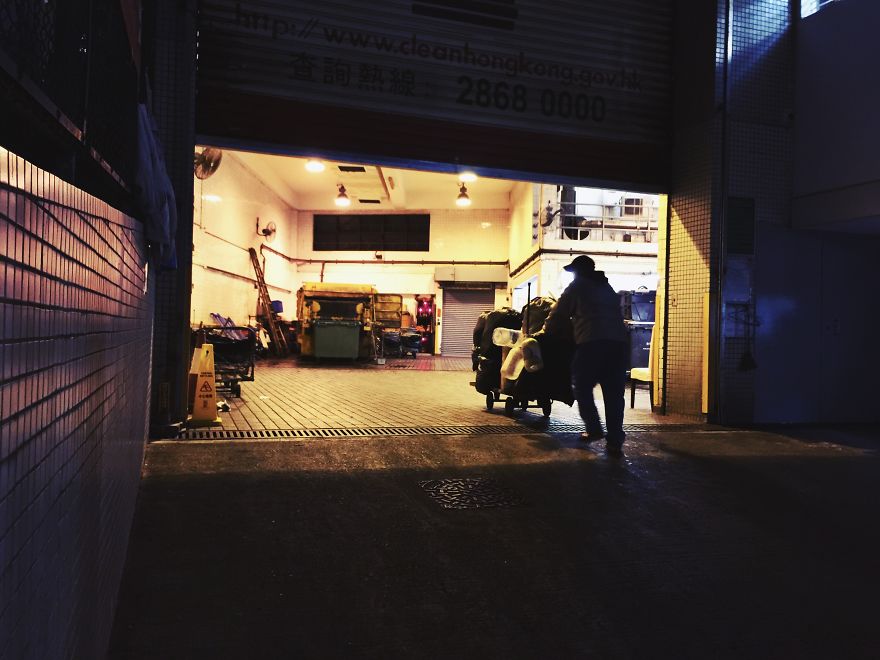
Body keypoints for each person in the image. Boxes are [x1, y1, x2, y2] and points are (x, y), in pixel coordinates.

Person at [542, 255, 629, 456]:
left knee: (581, 386)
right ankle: (615, 440)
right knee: (614, 394)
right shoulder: (607, 288)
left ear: (579, 272)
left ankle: (594, 428)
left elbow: (558, 314)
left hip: (592, 343)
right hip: (618, 345)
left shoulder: (578, 286)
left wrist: (545, 332)